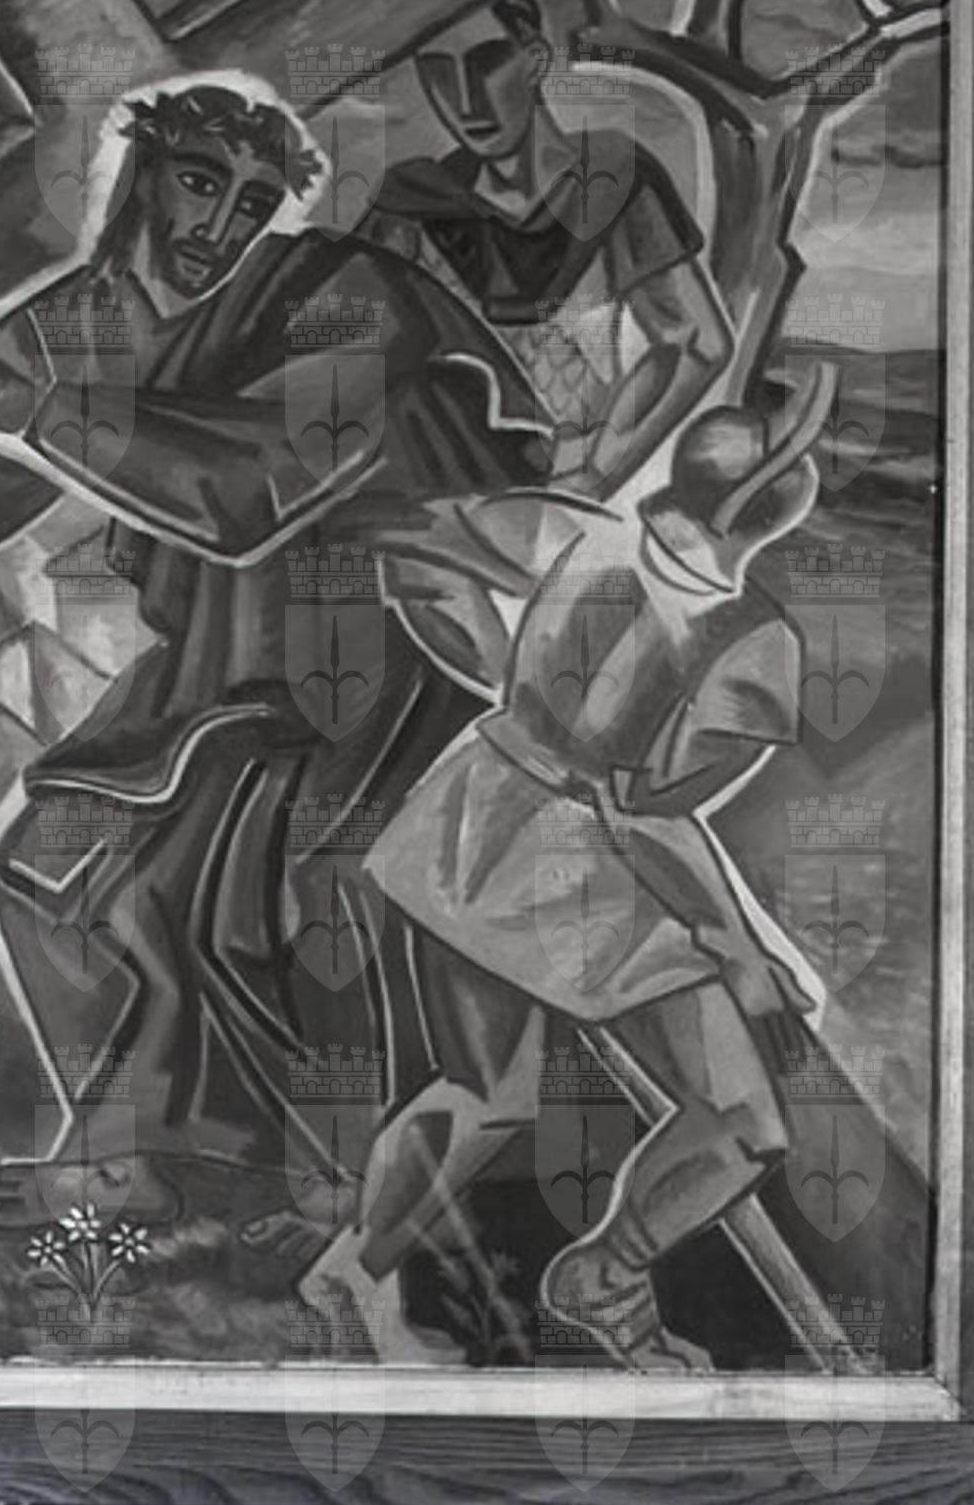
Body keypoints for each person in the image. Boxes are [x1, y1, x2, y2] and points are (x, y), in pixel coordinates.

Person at [0, 72, 546, 1232]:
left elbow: (250, 485)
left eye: (251, 201)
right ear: (140, 174)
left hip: (367, 650)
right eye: (198, 180)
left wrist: (25, 406)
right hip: (212, 662)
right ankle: (147, 1155)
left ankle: (318, 1182)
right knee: (43, 868)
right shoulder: (81, 323)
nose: (218, 222)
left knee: (246, 895)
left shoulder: (341, 291)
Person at [298, 372, 836, 1371]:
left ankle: (350, 1271)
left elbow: (409, 547)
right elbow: (648, 817)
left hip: (472, 814)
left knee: (481, 1090)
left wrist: (505, 677)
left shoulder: (574, 529)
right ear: (769, 511)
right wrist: (739, 951)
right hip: (584, 871)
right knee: (742, 1121)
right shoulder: (753, 644)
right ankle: (607, 1276)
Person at [365, 0, 731, 496]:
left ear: (535, 59)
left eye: (487, 61)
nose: (465, 99)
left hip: (567, 492)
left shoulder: (614, 179)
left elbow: (695, 343)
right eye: (438, 70)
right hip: (434, 494)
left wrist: (598, 473)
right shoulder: (411, 206)